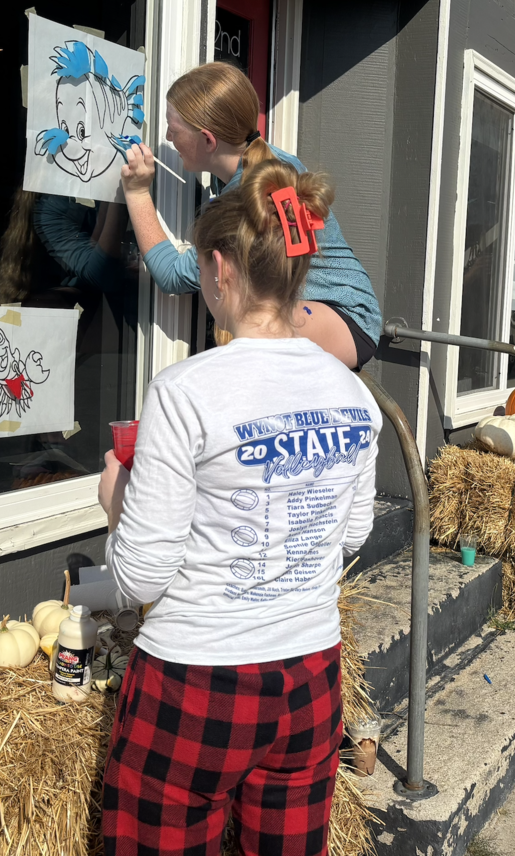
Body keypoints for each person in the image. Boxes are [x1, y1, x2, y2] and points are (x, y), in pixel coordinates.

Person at [96, 158, 381, 856]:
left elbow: (141, 579)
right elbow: (353, 533)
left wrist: (117, 500)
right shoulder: (354, 395)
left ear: (219, 269)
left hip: (195, 678)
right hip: (310, 675)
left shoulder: (186, 390)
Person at [121, 62, 381, 369]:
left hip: (344, 318)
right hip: (331, 311)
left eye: (173, 129)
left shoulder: (255, 190)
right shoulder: (261, 161)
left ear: (208, 140)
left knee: (247, 332)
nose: (167, 136)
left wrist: (137, 193)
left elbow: (172, 274)